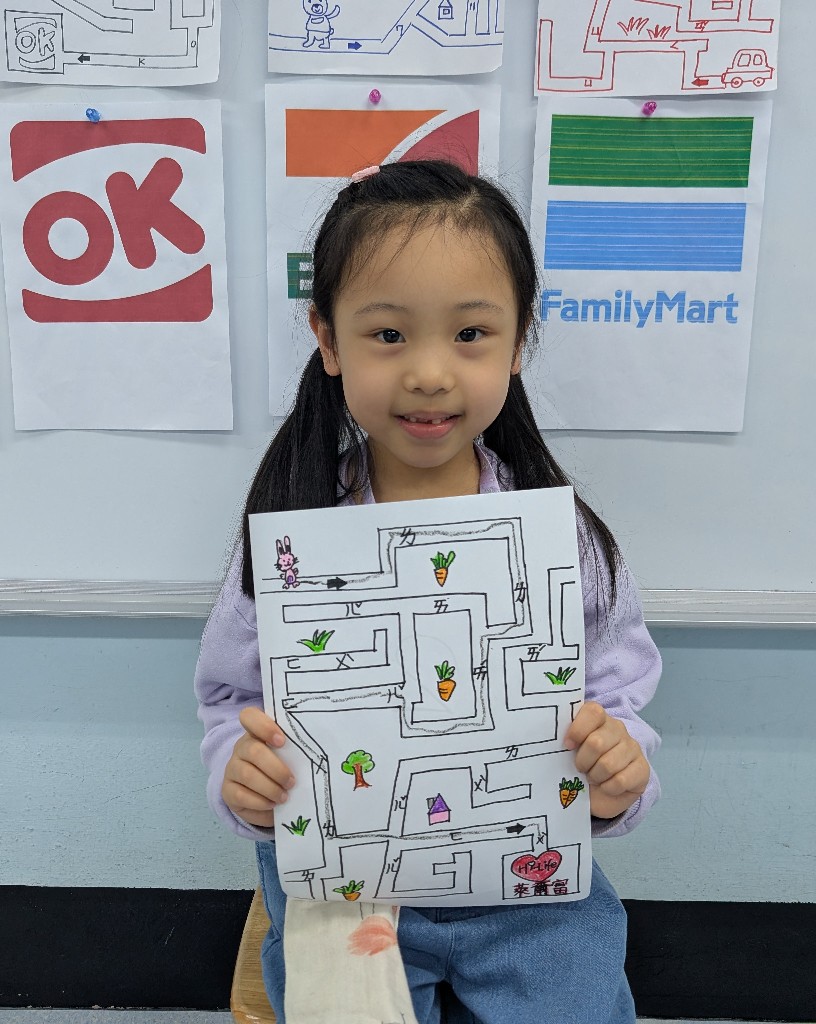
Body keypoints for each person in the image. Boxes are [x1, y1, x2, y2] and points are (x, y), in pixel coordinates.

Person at [194, 160, 662, 1023]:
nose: (431, 373)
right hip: (348, 891)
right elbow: (232, 701)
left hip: (528, 889)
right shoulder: (294, 538)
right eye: (388, 334)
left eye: (471, 333)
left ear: (518, 342)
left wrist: (617, 768)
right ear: (328, 340)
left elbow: (616, 697)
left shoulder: (560, 539)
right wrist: (240, 771)